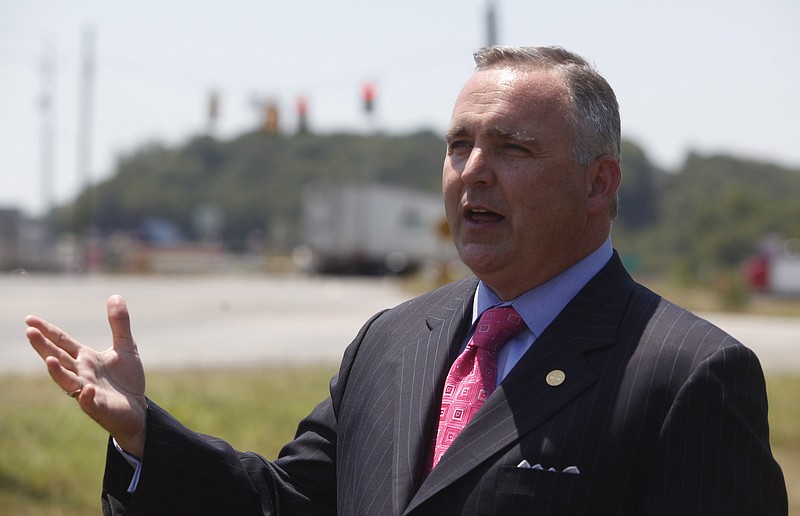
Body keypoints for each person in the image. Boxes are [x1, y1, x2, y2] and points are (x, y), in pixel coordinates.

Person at [26, 45, 787, 515]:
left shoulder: (688, 376)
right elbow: (285, 508)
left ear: (599, 184)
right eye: (459, 145)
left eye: (513, 147)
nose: (473, 172)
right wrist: (144, 437)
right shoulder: (391, 342)